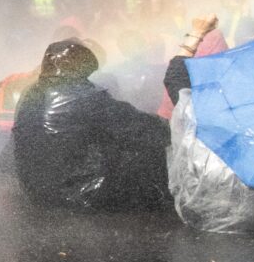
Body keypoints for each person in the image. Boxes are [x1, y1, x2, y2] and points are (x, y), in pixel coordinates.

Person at [11, 39, 172, 212]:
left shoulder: (30, 92)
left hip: (37, 191)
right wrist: (168, 127)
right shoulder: (84, 96)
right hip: (80, 193)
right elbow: (138, 126)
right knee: (145, 146)